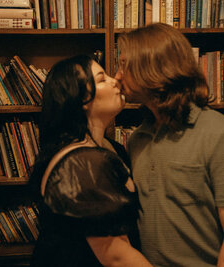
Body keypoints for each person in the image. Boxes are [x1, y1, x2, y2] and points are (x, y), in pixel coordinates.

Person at [115, 23, 224, 267]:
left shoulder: (220, 134)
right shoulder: (139, 138)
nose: (118, 76)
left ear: (153, 68)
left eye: (124, 65)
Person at [29, 55, 152, 267]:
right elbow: (117, 257)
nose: (116, 81)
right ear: (81, 98)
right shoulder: (82, 162)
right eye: (102, 78)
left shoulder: (111, 149)